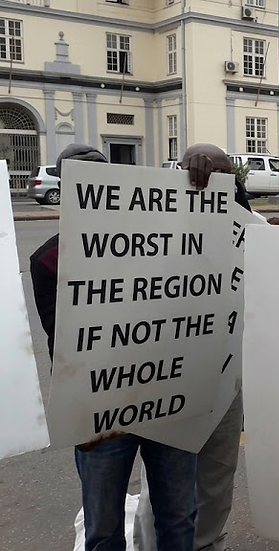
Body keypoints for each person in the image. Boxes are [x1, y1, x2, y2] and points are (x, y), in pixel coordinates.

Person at [30, 144, 199, 551]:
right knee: (103, 529)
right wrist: (82, 417)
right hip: (102, 421)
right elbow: (63, 347)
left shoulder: (162, 240)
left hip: (167, 405)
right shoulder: (50, 259)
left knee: (178, 518)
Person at [134, 143, 279, 551]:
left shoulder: (254, 225)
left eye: (223, 173)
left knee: (218, 473)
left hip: (228, 380)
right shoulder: (154, 222)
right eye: (201, 171)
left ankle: (208, 544)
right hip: (170, 376)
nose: (213, 179)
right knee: (168, 479)